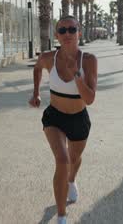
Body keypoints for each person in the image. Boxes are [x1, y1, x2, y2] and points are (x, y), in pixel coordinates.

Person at [29, 15, 98, 224]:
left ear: (79, 32)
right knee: (62, 160)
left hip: (79, 118)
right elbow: (37, 68)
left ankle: (72, 180)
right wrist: (36, 93)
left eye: (71, 29)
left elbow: (90, 99)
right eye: (62, 30)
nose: (67, 34)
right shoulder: (49, 57)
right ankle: (61, 215)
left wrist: (76, 75)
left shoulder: (88, 60)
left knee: (74, 160)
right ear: (56, 35)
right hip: (55, 117)